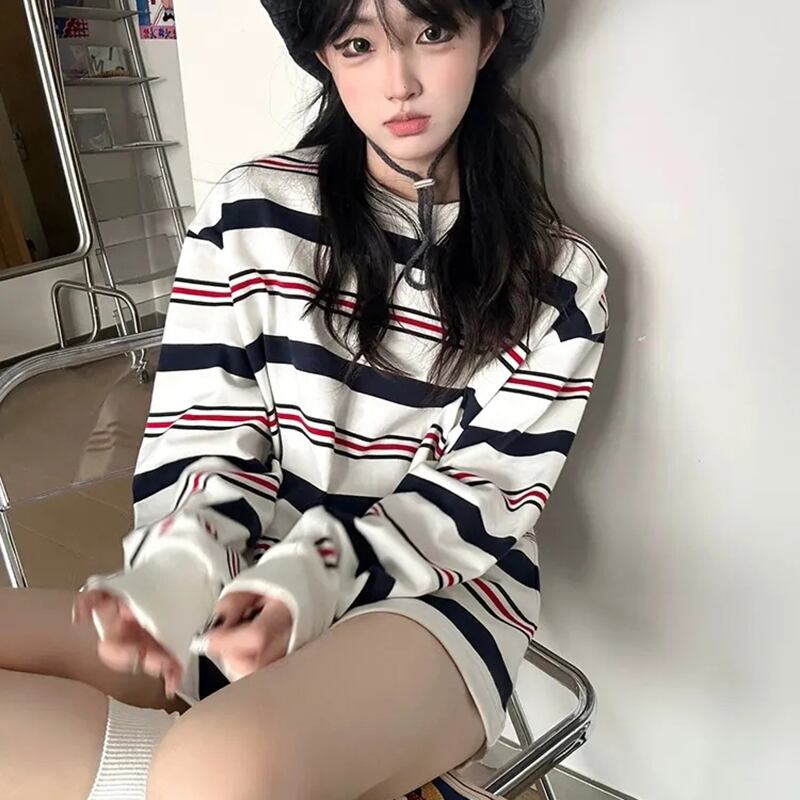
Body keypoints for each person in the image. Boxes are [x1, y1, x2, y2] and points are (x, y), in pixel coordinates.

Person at [0, 1, 609, 798]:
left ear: (488, 35)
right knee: (204, 770)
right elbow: (206, 428)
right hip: (240, 574)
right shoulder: (250, 213)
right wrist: (180, 566)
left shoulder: (560, 278)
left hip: (437, 597)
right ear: (323, 56)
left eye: (432, 33)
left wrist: (316, 573)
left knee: (214, 772)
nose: (398, 82)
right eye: (357, 44)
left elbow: (482, 492)